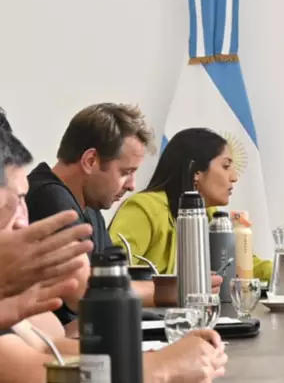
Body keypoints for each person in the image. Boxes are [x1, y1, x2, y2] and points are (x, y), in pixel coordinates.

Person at [0, 127, 228, 382]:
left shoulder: (90, 208)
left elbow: (46, 347)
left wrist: (157, 357)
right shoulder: (52, 196)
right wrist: (162, 366)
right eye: (15, 201)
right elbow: (36, 373)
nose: (23, 220)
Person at [23, 104, 221, 332]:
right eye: (125, 172)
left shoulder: (90, 208)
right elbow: (81, 292)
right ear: (90, 160)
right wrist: (174, 291)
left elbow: (114, 282)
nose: (132, 185)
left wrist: (175, 288)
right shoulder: (50, 198)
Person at [109, 128, 284, 292]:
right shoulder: (143, 209)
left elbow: (248, 266)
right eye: (226, 166)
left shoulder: (210, 217)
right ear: (196, 171)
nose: (234, 177)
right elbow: (112, 279)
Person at [0, 127, 93, 331]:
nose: (22, 221)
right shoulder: (51, 195)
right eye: (125, 172)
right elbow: (85, 293)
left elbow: (51, 341)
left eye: (23, 199)